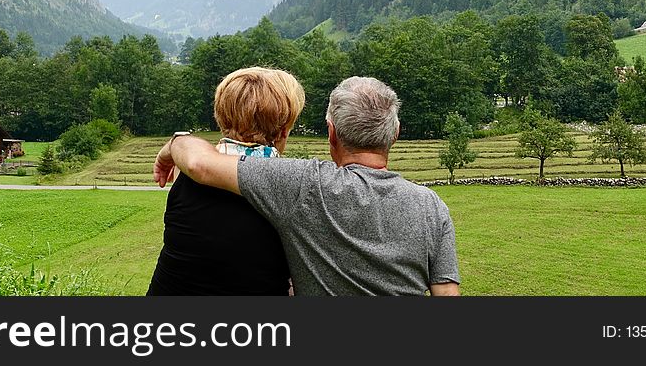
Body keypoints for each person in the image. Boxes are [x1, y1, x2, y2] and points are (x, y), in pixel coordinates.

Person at [154, 76, 460, 296]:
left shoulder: (304, 184)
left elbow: (199, 164)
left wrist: (174, 145)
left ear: (331, 133)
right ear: (395, 133)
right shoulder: (432, 206)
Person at [146, 67, 305, 295]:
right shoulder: (293, 187)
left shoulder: (185, 170)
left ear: (221, 118)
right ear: (283, 130)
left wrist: (174, 145)